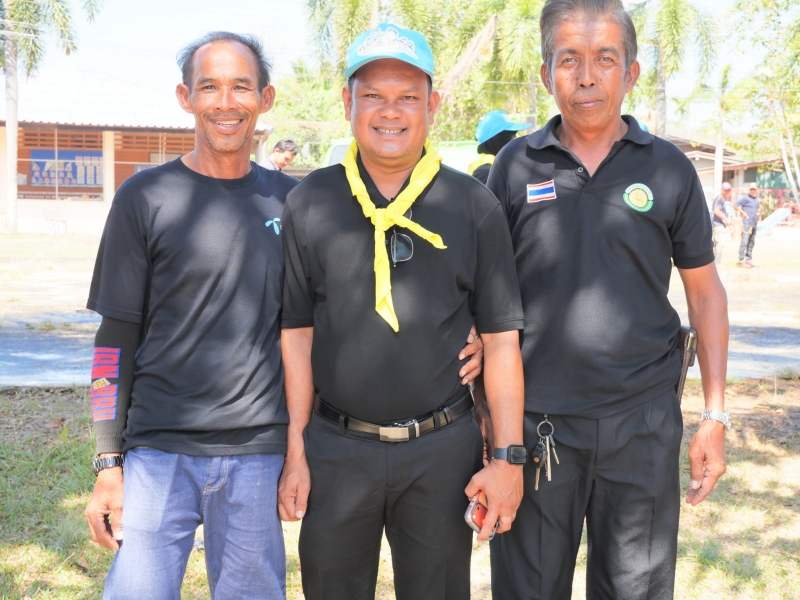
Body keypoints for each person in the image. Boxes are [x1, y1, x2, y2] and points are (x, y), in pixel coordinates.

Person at [487, 1, 730, 599]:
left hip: (642, 425)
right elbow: (484, 296)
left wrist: (715, 414)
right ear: (546, 73)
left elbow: (705, 296)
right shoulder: (514, 166)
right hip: (537, 428)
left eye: (604, 59)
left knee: (636, 591)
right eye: (568, 59)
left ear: (632, 72)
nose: (587, 76)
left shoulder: (669, 169)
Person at [277, 23, 526, 600]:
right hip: (337, 447)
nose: (390, 111)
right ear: (347, 102)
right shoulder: (310, 201)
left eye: (408, 96)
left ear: (432, 107)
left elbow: (501, 341)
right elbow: (297, 332)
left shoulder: (473, 204)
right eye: (373, 95)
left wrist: (508, 458)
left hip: (441, 450)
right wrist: (296, 447)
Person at [83, 32, 299, 599]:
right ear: (186, 97)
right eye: (209, 87)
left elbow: (325, 321)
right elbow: (113, 340)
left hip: (257, 453)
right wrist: (108, 462)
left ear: (266, 98)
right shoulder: (145, 197)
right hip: (157, 452)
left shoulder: (294, 202)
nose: (225, 102)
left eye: (241, 87)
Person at [468, 110, 532, 184]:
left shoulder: (498, 166)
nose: (515, 139)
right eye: (510, 135)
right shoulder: (485, 173)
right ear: (497, 140)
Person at [735, 182, 760, 267]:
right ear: (749, 190)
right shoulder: (746, 198)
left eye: (754, 189)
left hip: (754, 223)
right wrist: (743, 212)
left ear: (756, 190)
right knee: (744, 242)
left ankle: (749, 259)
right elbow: (735, 205)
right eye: (751, 189)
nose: (753, 191)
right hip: (747, 223)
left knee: (751, 242)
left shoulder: (756, 199)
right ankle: (741, 260)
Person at [712, 182, 733, 265]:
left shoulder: (723, 200)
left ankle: (715, 263)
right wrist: (726, 219)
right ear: (722, 190)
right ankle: (717, 263)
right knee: (720, 243)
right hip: (718, 225)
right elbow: (716, 211)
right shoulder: (720, 198)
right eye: (725, 190)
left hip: (719, 224)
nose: (727, 192)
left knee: (717, 244)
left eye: (728, 190)